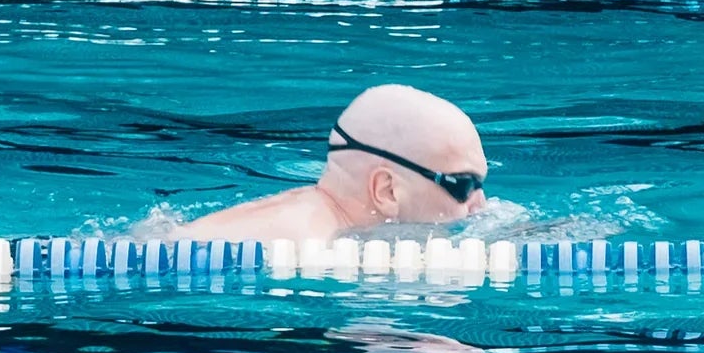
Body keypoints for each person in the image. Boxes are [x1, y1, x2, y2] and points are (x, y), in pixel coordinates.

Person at [183, 81, 490, 251]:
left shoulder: (316, 220)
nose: (481, 205)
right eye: (462, 185)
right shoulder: (305, 246)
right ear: (387, 190)